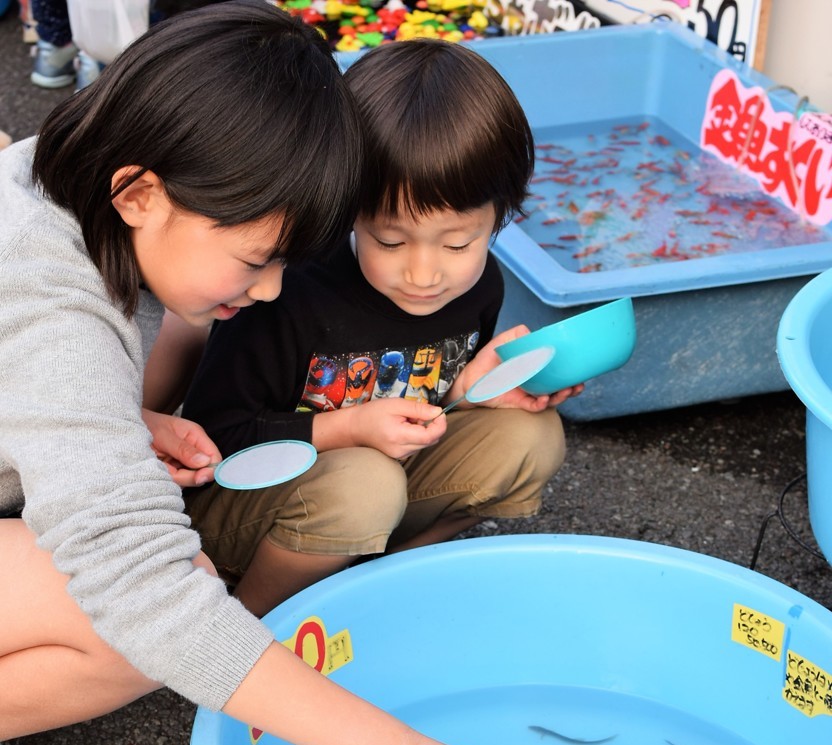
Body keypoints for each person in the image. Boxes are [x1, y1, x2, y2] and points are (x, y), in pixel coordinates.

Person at [0, 2, 529, 745]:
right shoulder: (53, 301)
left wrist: (121, 423)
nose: (274, 286)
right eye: (256, 259)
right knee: (135, 623)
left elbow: (41, 384)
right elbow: (142, 590)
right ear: (141, 194)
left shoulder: (60, 181)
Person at [178, 38, 583, 617]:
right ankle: (249, 630)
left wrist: (474, 390)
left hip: (373, 501)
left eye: (458, 242)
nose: (424, 272)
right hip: (251, 509)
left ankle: (383, 582)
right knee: (365, 480)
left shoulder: (480, 285)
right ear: (347, 208)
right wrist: (348, 429)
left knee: (532, 441)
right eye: (390, 241)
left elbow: (427, 402)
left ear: (502, 215)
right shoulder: (289, 290)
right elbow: (215, 438)